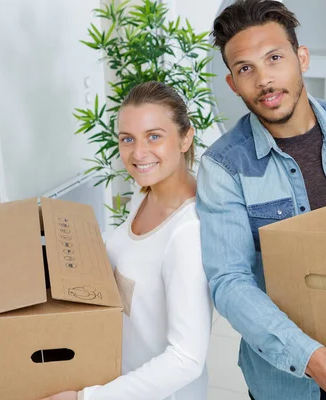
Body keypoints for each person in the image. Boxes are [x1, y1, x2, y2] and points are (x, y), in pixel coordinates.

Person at [195, 1, 326, 400]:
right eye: (245, 69)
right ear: (233, 83)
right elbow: (229, 281)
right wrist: (312, 358)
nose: (264, 80)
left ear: (301, 57)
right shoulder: (223, 166)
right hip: (287, 381)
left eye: (274, 58)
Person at [42, 81, 212, 400]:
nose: (138, 153)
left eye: (154, 136)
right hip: (117, 375)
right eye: (127, 139)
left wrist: (84, 399)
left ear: (185, 138)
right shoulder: (146, 192)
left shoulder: (188, 232)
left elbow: (186, 360)